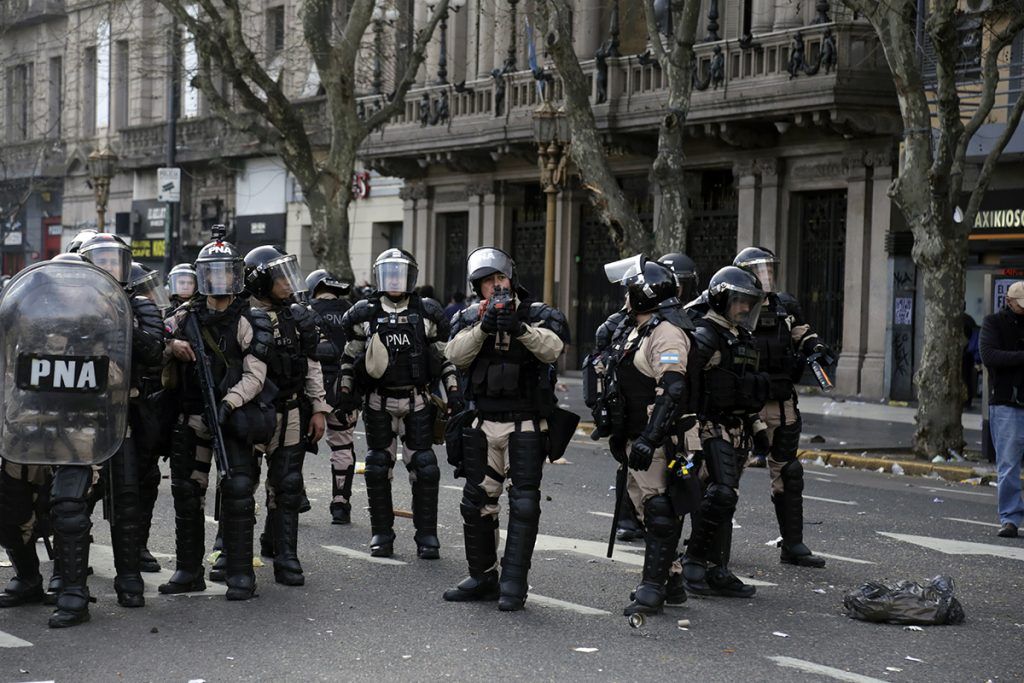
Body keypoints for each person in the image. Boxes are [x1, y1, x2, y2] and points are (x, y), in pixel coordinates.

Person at [45, 235, 165, 626]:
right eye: (101, 260)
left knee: (127, 503)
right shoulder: (63, 308)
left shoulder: (140, 305)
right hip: (76, 417)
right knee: (68, 503)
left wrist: (115, 315)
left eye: (116, 260)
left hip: (121, 415)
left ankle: (129, 582)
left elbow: (152, 351)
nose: (110, 267)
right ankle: (72, 593)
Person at [442, 246, 570, 611]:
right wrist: (484, 327)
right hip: (483, 423)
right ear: (477, 288)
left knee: (525, 503)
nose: (495, 287)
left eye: (500, 279)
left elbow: (553, 349)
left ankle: (514, 582)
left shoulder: (539, 314)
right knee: (476, 503)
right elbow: (454, 356)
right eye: (487, 283)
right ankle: (483, 576)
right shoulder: (468, 318)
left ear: (511, 279)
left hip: (526, 424)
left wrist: (518, 327)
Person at [158, 227, 272, 600]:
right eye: (213, 272)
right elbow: (151, 341)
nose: (220, 281)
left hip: (231, 418)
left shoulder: (249, 319)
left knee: (238, 491)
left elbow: (256, 375)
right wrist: (171, 347)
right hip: (192, 417)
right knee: (188, 492)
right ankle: (189, 571)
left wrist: (228, 403)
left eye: (226, 273)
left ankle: (240, 574)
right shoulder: (182, 317)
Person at [338, 249, 462, 559]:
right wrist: (344, 391)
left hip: (417, 399)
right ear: (381, 277)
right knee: (378, 466)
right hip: (378, 400)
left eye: (400, 273)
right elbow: (349, 357)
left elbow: (444, 358)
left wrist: (454, 391)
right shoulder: (364, 313)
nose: (394, 280)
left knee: (425, 466)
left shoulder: (427, 314)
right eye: (389, 273)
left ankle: (427, 537)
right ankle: (382, 534)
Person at [606, 257, 698, 617]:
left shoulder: (667, 332)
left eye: (630, 290)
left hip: (658, 440)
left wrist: (650, 437)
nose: (625, 297)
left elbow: (672, 389)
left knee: (660, 511)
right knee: (645, 508)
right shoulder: (637, 328)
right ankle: (673, 581)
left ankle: (653, 589)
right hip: (634, 435)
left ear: (645, 293)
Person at [733, 247, 830, 567]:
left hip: (780, 402)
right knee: (723, 474)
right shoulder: (734, 305)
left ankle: (793, 544)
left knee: (789, 471)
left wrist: (815, 348)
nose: (767, 276)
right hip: (741, 404)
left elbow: (804, 334)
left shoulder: (786, 306)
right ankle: (708, 548)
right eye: (760, 270)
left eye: (770, 269)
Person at [682, 266, 770, 598]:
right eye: (739, 301)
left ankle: (718, 569)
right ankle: (693, 561)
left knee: (726, 498)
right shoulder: (705, 335)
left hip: (738, 430)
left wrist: (758, 427)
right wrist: (686, 428)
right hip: (709, 427)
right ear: (721, 299)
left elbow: (745, 390)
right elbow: (685, 383)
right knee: (720, 493)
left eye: (750, 302)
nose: (745, 308)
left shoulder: (741, 338)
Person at [243, 246, 329, 586]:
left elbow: (311, 363)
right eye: (280, 277)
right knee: (240, 485)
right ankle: (231, 552)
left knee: (288, 485)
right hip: (251, 412)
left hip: (291, 409)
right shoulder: (242, 316)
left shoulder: (298, 316)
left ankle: (286, 554)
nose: (288, 283)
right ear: (262, 282)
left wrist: (319, 407)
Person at [306, 269, 358, 525]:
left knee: (294, 447)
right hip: (346, 389)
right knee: (342, 446)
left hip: (312, 389)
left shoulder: (305, 310)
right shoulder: (354, 312)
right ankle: (341, 503)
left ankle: (295, 495)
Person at [979, 281, 1024, 538]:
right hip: (1007, 402)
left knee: (1009, 463)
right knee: (1008, 464)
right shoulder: (993, 323)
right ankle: (1010, 518)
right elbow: (990, 356)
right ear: (1009, 301)